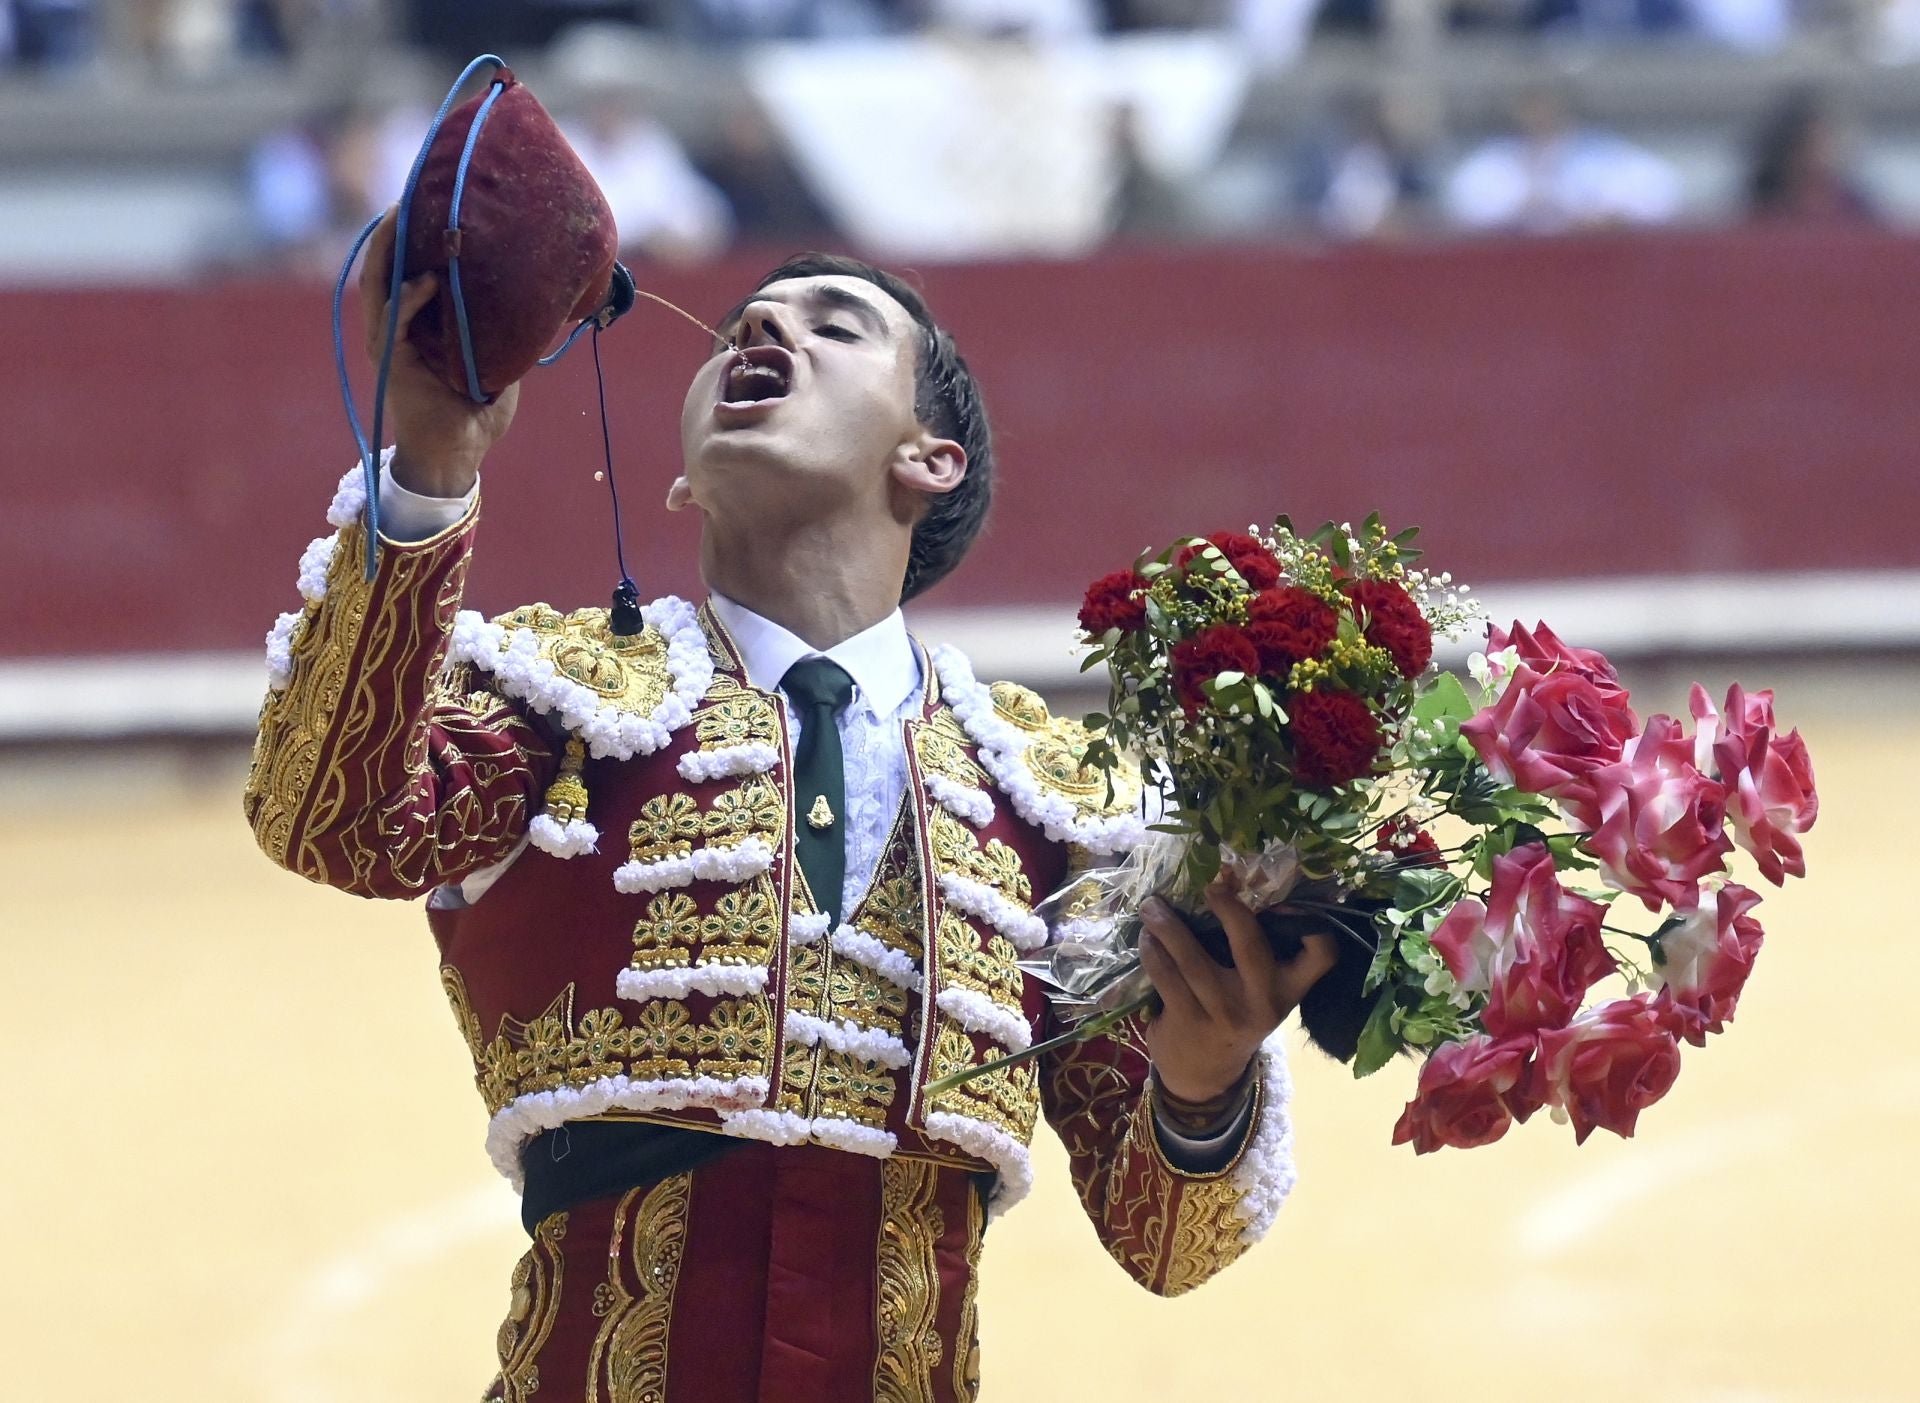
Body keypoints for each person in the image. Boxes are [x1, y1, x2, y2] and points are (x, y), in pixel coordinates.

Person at [245, 210, 1337, 1399]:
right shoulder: (559, 703)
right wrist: (431, 469)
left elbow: (1171, 1239)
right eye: (741, 326)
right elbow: (331, 817)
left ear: (929, 458)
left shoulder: (1046, 800)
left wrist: (1202, 1078)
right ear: (682, 475)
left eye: (839, 326)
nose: (764, 324)